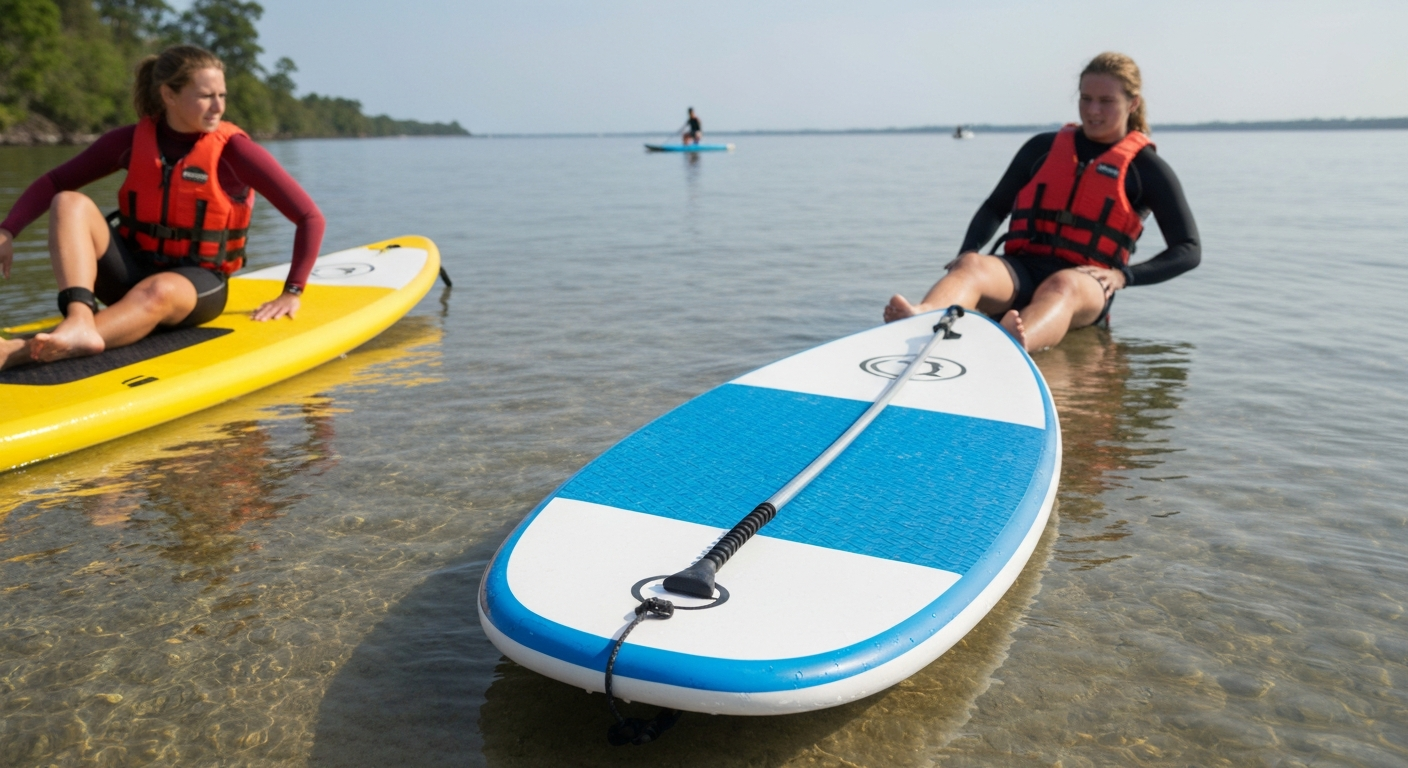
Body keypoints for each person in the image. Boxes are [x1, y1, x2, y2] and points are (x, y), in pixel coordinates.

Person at [0, 45, 324, 371]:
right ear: (169, 95)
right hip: (129, 271)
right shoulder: (130, 141)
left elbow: (309, 217)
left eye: (222, 95)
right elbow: (55, 181)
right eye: (205, 96)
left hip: (195, 286)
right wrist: (8, 230)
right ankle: (80, 318)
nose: (218, 107)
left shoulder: (234, 151)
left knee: (157, 290)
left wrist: (292, 291)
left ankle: (20, 352)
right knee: (68, 201)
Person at [884, 52, 1199, 351]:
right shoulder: (1042, 148)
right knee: (972, 265)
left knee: (1062, 284)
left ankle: (1012, 345)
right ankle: (924, 317)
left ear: (1133, 103)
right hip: (1022, 269)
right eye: (1086, 99)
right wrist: (968, 249)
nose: (1093, 111)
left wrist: (1123, 276)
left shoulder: (1146, 170)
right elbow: (996, 207)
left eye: (1106, 101)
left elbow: (1188, 250)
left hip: (1085, 284)